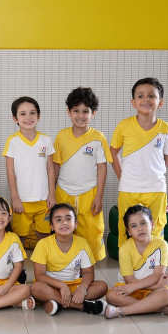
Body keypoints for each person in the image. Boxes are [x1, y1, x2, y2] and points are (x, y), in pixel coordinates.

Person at [110, 77, 168, 247]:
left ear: (160, 102)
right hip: (128, 189)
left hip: (156, 189)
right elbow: (113, 153)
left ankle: (154, 262)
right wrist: (123, 176)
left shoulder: (166, 129)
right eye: (140, 96)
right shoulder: (124, 126)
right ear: (133, 102)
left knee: (155, 230)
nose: (146, 99)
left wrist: (153, 170)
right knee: (127, 229)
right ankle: (128, 263)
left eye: (151, 96)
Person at [53, 87, 112, 261]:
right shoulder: (61, 136)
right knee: (63, 231)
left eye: (85, 111)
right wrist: (51, 193)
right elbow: (55, 165)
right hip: (63, 192)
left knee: (91, 232)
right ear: (69, 112)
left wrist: (99, 197)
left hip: (89, 193)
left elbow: (102, 168)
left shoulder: (98, 138)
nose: (80, 115)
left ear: (93, 113)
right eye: (76, 110)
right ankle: (64, 262)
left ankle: (89, 263)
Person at [30, 203, 108, 316]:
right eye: (58, 220)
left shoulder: (82, 243)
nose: (64, 223)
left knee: (102, 286)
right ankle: (81, 306)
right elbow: (40, 275)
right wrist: (61, 286)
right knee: (36, 288)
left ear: (75, 224)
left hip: (74, 286)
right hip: (51, 286)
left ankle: (55, 302)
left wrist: (82, 289)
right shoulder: (43, 244)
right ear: (52, 226)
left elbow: (88, 272)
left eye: (68, 219)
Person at [105, 205, 168, 319]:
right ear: (129, 231)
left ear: (152, 224)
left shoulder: (161, 245)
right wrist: (156, 285)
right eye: (134, 226)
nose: (140, 228)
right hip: (129, 288)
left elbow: (157, 275)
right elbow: (129, 280)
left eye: (143, 223)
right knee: (111, 296)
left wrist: (154, 287)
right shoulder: (124, 248)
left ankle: (121, 311)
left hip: (150, 289)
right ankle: (159, 309)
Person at [3, 96, 56, 244]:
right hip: (22, 201)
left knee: (44, 237)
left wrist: (52, 195)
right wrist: (15, 198)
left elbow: (50, 169)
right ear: (15, 118)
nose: (28, 117)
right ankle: (18, 260)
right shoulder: (12, 141)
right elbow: (10, 172)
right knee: (19, 237)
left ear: (38, 116)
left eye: (32, 113)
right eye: (23, 114)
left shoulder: (46, 140)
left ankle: (45, 259)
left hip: (44, 201)